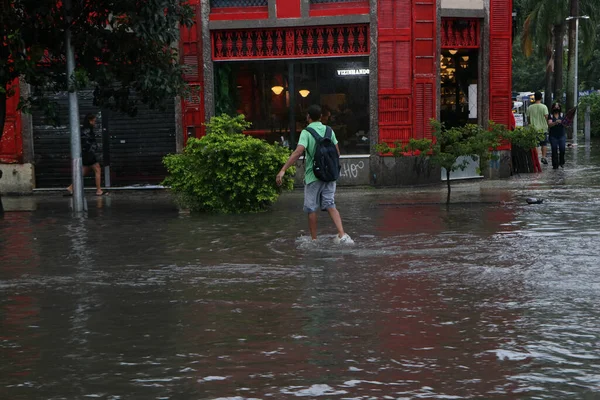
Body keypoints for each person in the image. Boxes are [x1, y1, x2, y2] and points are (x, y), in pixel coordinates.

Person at [276, 105, 353, 244]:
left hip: (313, 176)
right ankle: (342, 234)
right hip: (330, 175)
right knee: (330, 204)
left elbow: (298, 152)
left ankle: (314, 239)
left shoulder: (306, 132)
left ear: (308, 117)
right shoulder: (329, 130)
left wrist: (283, 169)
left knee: (311, 208)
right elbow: (337, 153)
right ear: (321, 117)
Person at [66, 114, 107, 196]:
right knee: (97, 169)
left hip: (86, 153)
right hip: (88, 153)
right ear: (90, 120)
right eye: (94, 121)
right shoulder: (87, 130)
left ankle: (71, 187)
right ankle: (99, 190)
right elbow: (87, 143)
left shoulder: (85, 129)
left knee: (85, 171)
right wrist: (92, 150)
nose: (95, 123)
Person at [526, 92, 549, 165]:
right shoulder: (544, 107)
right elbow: (546, 117)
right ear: (541, 98)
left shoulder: (530, 107)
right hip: (543, 128)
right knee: (544, 144)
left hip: (533, 129)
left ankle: (536, 158)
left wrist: (530, 125)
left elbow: (528, 118)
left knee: (535, 145)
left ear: (534, 98)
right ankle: (543, 157)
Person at [547, 102, 566, 169]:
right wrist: (555, 122)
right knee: (554, 149)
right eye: (555, 107)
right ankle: (555, 165)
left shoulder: (562, 114)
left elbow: (566, 124)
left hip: (561, 135)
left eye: (558, 107)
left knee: (562, 149)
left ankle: (562, 162)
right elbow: (549, 124)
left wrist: (563, 123)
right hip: (553, 136)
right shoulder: (551, 115)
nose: (557, 108)